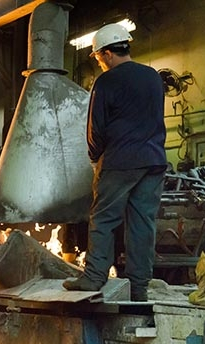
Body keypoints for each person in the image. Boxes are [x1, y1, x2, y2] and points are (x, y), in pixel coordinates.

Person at [63, 23, 167, 302]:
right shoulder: (153, 77)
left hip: (120, 160)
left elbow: (95, 127)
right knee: (142, 223)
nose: (99, 63)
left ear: (107, 53)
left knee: (104, 218)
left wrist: (95, 157)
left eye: (98, 58)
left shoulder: (106, 82)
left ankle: (94, 277)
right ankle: (139, 287)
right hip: (154, 160)